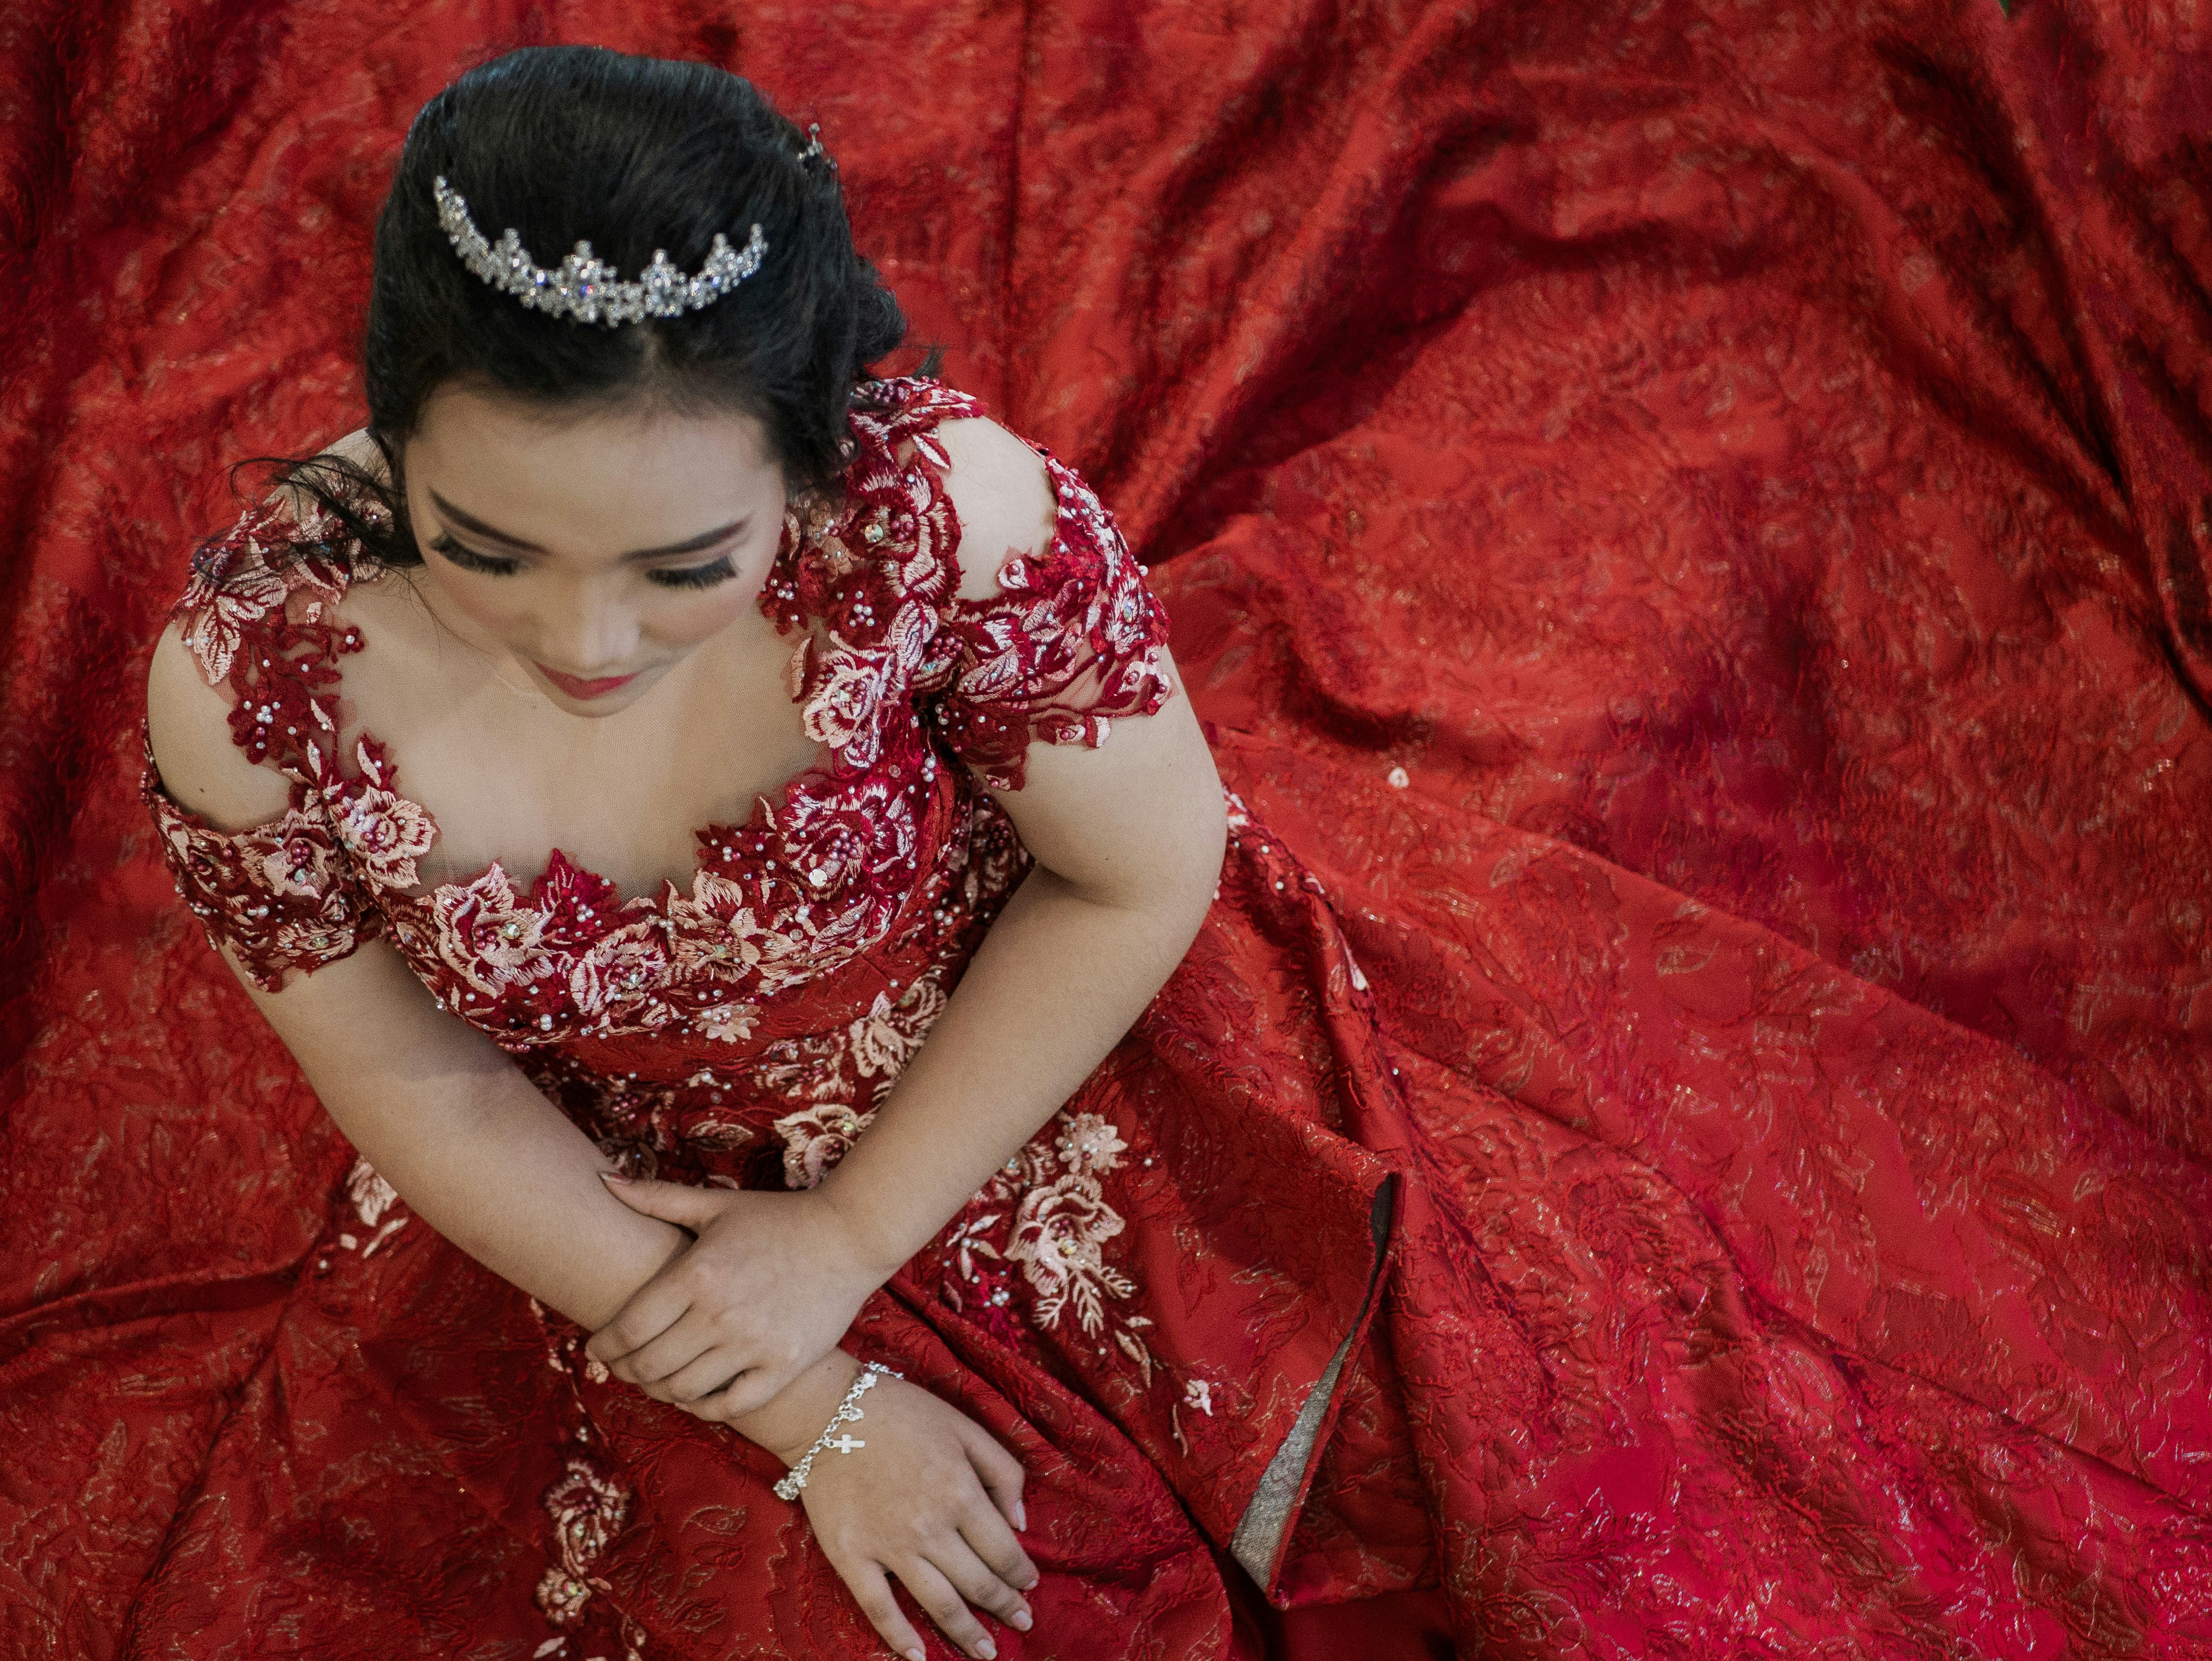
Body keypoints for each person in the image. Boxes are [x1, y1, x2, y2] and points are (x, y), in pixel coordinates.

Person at [127, 39, 2210, 1661]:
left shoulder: (950, 521)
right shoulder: (252, 674)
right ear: (391, 433)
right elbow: (407, 1069)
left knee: (1562, 1471)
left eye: (683, 568)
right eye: (488, 550)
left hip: (1047, 1063)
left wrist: (846, 1243)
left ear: (811, 454)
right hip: (600, 1206)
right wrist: (800, 1397)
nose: (580, 641)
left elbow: (1137, 873)